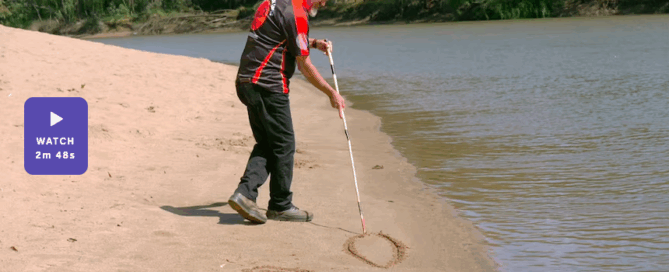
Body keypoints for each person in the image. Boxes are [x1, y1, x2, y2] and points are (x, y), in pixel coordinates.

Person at [227, 0, 345, 224]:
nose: (324, 3)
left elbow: (278, 37)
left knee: (268, 144)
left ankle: (245, 194)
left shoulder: (273, 3)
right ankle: (280, 205)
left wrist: (313, 43)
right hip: (268, 85)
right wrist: (331, 93)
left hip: (246, 81)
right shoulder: (297, 14)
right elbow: (304, 65)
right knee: (284, 144)